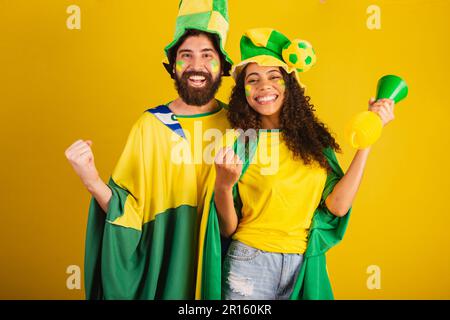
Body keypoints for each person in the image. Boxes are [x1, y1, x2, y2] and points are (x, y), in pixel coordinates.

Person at [198, 28, 395, 300]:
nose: (263, 86)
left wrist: (368, 138)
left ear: (289, 85)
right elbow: (227, 229)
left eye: (274, 77)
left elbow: (337, 206)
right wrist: (223, 185)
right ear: (243, 92)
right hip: (249, 263)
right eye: (252, 80)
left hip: (300, 264)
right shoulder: (240, 143)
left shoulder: (314, 143)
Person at [64, 0, 234, 299]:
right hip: (169, 278)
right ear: (173, 65)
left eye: (208, 56)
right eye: (186, 56)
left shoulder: (238, 125)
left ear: (222, 65)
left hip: (228, 275)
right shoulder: (151, 126)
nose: (196, 66)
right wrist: (91, 180)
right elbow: (128, 212)